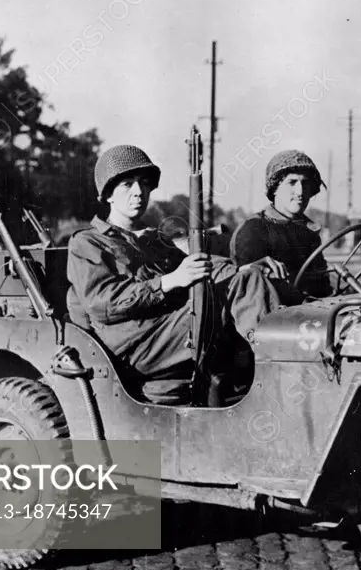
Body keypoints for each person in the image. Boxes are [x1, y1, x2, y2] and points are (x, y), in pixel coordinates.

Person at [66, 144, 283, 405]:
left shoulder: (153, 239)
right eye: (127, 184)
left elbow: (195, 269)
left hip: (170, 330)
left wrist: (239, 269)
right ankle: (280, 376)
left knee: (252, 280)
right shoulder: (87, 243)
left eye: (144, 184)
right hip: (136, 347)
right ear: (108, 194)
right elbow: (102, 303)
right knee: (237, 292)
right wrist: (168, 282)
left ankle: (277, 366)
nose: (139, 192)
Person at [230, 150, 331, 304]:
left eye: (305, 183)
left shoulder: (309, 232)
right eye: (292, 182)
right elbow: (250, 290)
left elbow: (322, 286)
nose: (300, 191)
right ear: (275, 188)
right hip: (272, 320)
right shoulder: (254, 229)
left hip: (312, 313)